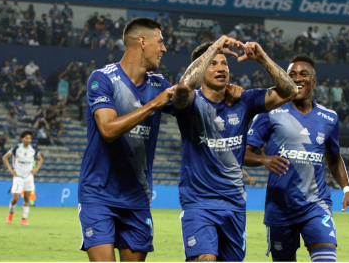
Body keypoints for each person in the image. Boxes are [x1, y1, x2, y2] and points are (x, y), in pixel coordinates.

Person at [77, 17, 242, 262]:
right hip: (99, 196)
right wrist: (154, 104)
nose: (164, 48)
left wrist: (224, 93)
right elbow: (108, 130)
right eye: (160, 42)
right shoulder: (103, 79)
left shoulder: (158, 84)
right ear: (142, 41)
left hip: (137, 199)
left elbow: (188, 97)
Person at [171, 36, 298, 261]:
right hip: (199, 203)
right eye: (213, 63)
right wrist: (212, 48)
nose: (221, 68)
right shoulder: (190, 104)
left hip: (234, 205)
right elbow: (182, 88)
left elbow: (290, 92)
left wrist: (262, 59)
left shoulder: (244, 101)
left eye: (224, 64)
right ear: (200, 69)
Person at [244, 54, 349, 262]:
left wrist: (347, 190)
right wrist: (264, 160)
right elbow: (243, 153)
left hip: (316, 204)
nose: (297, 78)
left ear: (313, 81)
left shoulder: (329, 118)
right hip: (280, 208)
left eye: (303, 74)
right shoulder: (269, 112)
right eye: (292, 74)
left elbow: (334, 158)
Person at [3, 130, 43, 226]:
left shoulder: (33, 150)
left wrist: (36, 169)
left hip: (28, 177)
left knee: (27, 198)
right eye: (26, 138)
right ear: (22, 139)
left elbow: (40, 159)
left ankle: (23, 219)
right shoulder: (16, 148)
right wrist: (10, 170)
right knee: (15, 198)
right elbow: (5, 157)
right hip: (18, 177)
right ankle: (10, 214)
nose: (28, 140)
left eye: (30, 138)